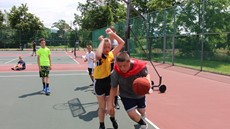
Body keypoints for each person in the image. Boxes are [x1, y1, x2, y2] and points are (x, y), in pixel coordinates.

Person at [107, 52, 151, 129]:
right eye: (120, 66)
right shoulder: (116, 73)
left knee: (142, 111)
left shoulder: (140, 67)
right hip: (126, 95)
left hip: (139, 94)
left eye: (124, 65)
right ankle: (143, 124)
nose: (122, 68)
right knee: (131, 114)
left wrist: (148, 84)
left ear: (129, 62)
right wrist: (110, 103)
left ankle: (143, 115)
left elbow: (147, 76)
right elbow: (113, 88)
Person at [94, 28, 125, 129]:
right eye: (105, 47)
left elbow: (121, 43)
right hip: (99, 83)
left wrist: (112, 34)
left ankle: (113, 118)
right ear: (102, 47)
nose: (107, 48)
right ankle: (101, 124)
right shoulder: (100, 56)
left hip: (109, 82)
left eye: (109, 46)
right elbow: (97, 55)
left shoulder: (111, 54)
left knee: (111, 106)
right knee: (102, 107)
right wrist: (103, 40)